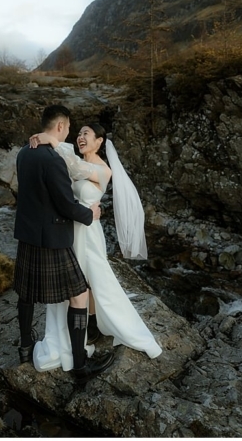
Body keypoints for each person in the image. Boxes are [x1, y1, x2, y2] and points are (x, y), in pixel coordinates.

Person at [28, 123, 163, 372]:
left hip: (88, 233)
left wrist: (54, 141)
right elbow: (65, 172)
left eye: (86, 134)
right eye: (78, 133)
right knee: (77, 282)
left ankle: (103, 326)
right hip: (70, 229)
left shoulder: (104, 170)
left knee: (94, 280)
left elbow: (78, 168)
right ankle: (85, 328)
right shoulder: (73, 159)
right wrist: (45, 140)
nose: (80, 137)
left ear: (99, 141)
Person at [12, 105, 115, 383]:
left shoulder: (25, 152)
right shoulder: (54, 160)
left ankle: (24, 347)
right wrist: (90, 214)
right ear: (60, 126)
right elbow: (66, 205)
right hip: (53, 237)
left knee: (26, 292)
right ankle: (80, 366)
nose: (72, 134)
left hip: (28, 235)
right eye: (70, 128)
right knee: (79, 294)